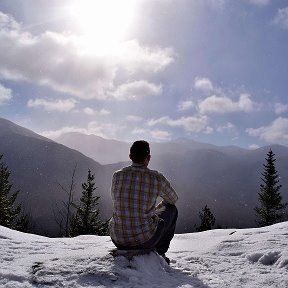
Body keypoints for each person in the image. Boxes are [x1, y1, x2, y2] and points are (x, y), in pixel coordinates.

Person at [109, 140, 178, 264]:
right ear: (149, 158)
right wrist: (157, 208)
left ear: (130, 156)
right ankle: (159, 253)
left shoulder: (117, 176)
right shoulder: (156, 178)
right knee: (172, 209)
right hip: (144, 240)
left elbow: (116, 200)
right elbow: (173, 199)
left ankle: (129, 248)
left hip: (118, 239)